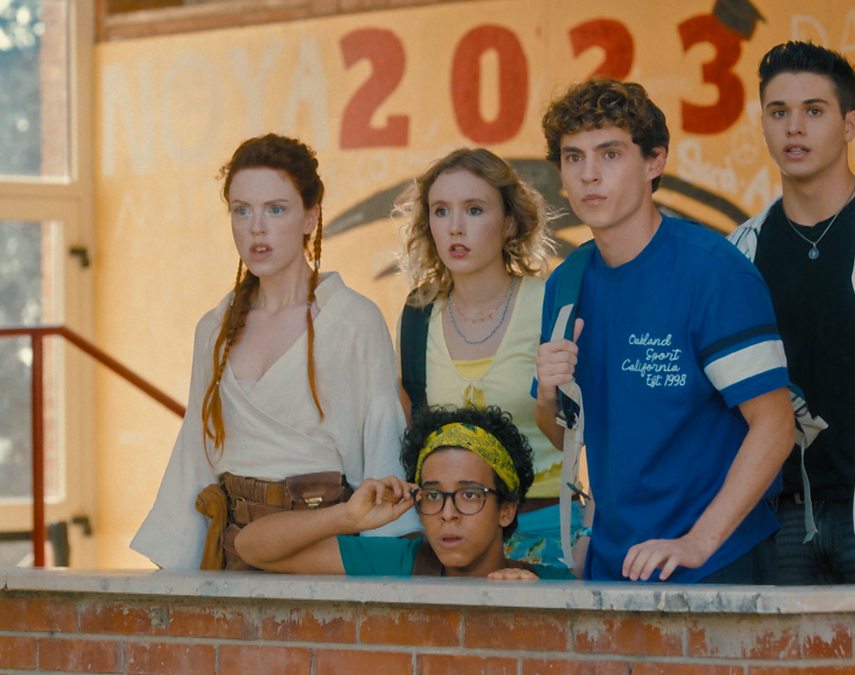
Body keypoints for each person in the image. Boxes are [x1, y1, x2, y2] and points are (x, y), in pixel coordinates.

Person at [534, 78, 794, 583]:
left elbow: (775, 425)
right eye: (573, 157)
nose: (589, 175)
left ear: (655, 162)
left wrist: (698, 542)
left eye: (610, 154)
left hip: (715, 562)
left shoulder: (713, 272)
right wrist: (547, 396)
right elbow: (568, 436)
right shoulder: (567, 281)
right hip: (616, 564)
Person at [132, 133, 417, 570]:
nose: (257, 228)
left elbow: (382, 443)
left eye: (276, 209)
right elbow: (195, 453)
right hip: (232, 544)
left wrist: (382, 566)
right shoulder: (215, 328)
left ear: (310, 217)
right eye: (242, 210)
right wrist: (176, 573)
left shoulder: (353, 320)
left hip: (323, 543)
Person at [728, 41, 855, 584]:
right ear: (762, 125)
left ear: (850, 124)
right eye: (778, 112)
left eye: (814, 111)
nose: (794, 128)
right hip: (779, 519)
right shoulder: (737, 253)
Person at [393, 148, 581, 572]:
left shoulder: (549, 303)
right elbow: (413, 441)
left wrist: (548, 400)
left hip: (549, 526)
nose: (455, 227)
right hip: (454, 535)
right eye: (441, 211)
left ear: (509, 221)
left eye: (474, 210)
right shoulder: (417, 314)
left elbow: (578, 439)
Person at [235, 405, 572, 580]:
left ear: (506, 510)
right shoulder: (401, 562)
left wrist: (533, 600)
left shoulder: (549, 584)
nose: (448, 514)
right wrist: (348, 517)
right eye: (433, 496)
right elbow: (251, 547)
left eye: (470, 495)